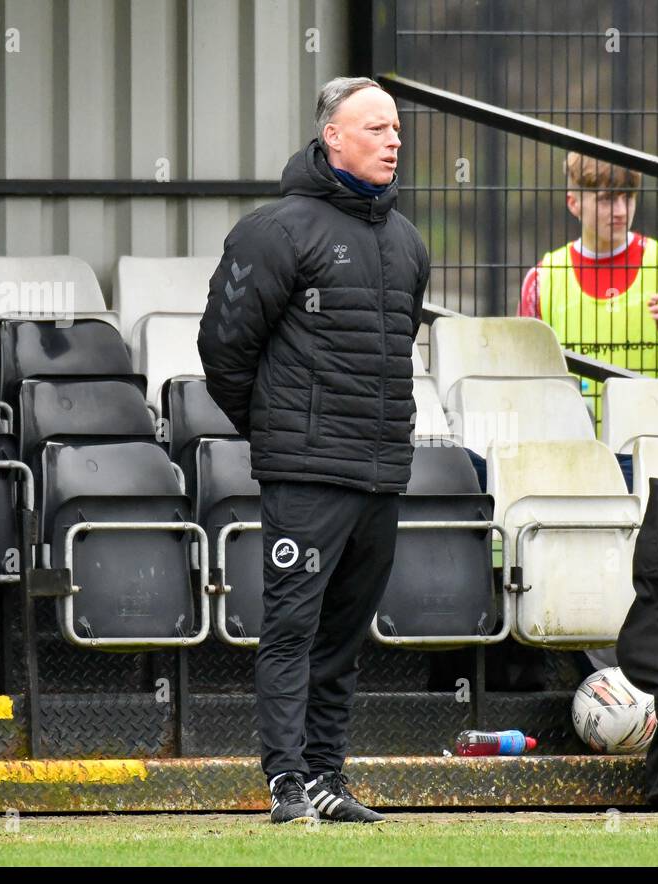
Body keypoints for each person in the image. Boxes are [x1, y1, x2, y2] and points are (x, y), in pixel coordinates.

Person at [198, 77, 430, 824]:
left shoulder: (408, 242)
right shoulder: (275, 230)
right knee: (293, 626)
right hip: (306, 471)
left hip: (380, 472)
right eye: (375, 127)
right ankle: (287, 780)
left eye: (396, 128)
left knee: (344, 634)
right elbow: (225, 349)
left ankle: (329, 776)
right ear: (331, 135)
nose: (392, 140)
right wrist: (279, 432)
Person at [518, 152, 658, 426]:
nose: (621, 211)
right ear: (573, 203)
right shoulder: (543, 278)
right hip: (581, 454)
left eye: (628, 197)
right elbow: (525, 377)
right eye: (607, 199)